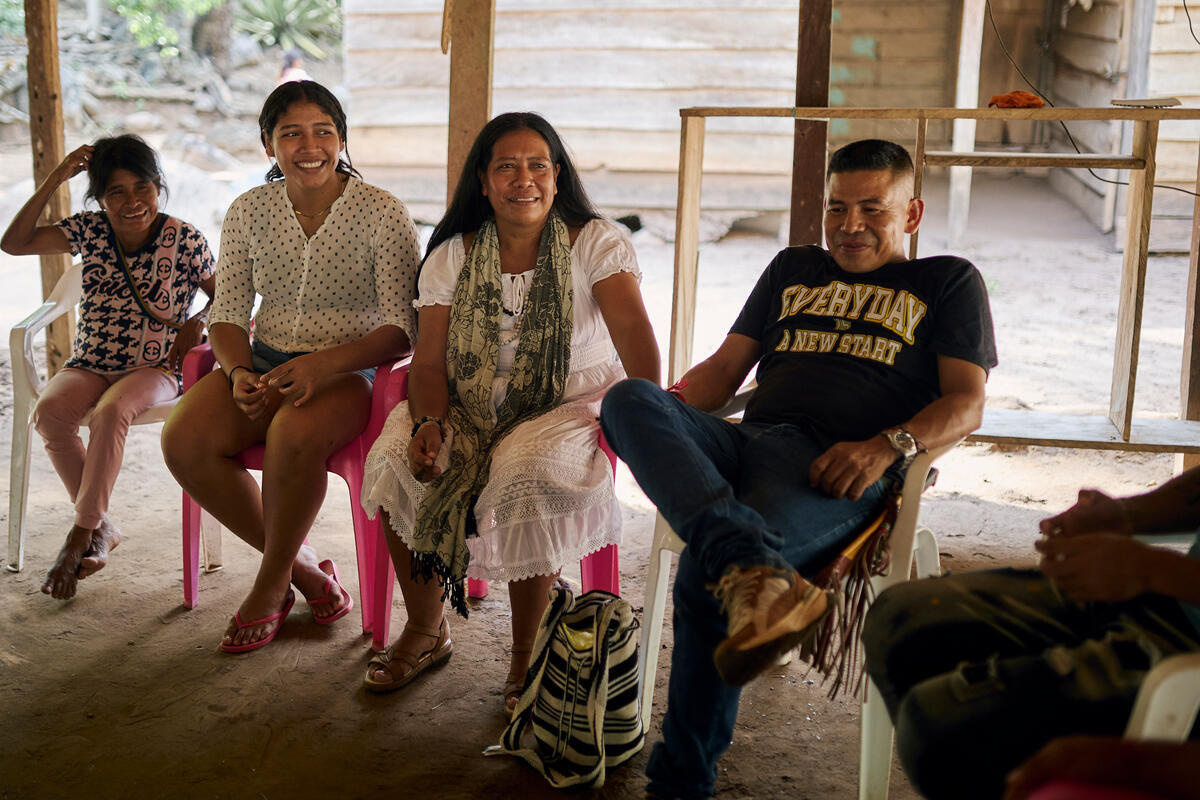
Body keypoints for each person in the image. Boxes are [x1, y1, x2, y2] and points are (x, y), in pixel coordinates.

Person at [598, 138, 997, 800]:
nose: (849, 225)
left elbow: (967, 402)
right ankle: (751, 564)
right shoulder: (793, 268)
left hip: (833, 467)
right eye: (836, 208)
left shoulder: (947, 282)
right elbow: (724, 375)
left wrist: (886, 446)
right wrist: (663, 419)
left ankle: (681, 783)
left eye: (872, 208)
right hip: (745, 440)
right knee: (626, 399)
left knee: (706, 567)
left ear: (913, 213)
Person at [358, 111, 659, 712]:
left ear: (557, 176)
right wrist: (428, 422)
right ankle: (425, 628)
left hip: (570, 404)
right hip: (467, 403)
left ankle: (527, 653)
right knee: (394, 455)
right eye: (507, 167)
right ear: (484, 182)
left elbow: (637, 345)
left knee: (523, 466)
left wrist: (647, 417)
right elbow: (429, 364)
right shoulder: (452, 255)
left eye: (538, 165)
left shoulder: (596, 243)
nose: (524, 179)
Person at [161, 80, 418, 653]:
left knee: (293, 430)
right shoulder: (249, 210)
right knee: (183, 440)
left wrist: (324, 364)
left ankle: (271, 584)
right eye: (291, 133)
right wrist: (235, 372)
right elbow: (227, 315)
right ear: (267, 145)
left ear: (342, 138)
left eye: (324, 131)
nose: (310, 146)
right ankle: (303, 571)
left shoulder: (381, 212)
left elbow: (404, 326)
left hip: (354, 371)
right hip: (266, 359)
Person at [862, 468, 1200, 800]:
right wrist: (1125, 515)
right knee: (899, 621)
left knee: (937, 728)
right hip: (1169, 602)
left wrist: (1156, 570)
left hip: (1186, 650)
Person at [1, 134, 216, 601]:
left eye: (142, 187)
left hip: (155, 367)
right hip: (91, 362)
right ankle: (102, 527)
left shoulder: (186, 238)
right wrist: (56, 176)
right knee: (50, 414)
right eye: (116, 192)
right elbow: (12, 243)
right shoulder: (88, 230)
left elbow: (233, 302)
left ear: (158, 186)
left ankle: (80, 535)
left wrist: (197, 320)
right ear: (100, 198)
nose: (132, 202)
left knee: (109, 413)